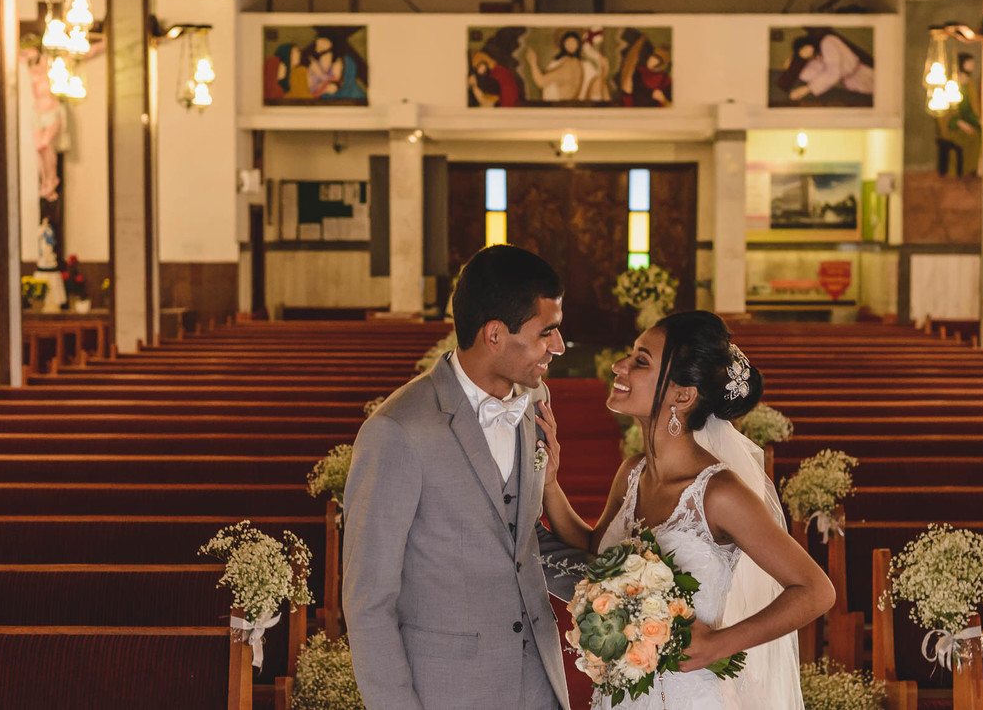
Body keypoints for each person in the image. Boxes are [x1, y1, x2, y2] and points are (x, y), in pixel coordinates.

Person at [538, 311, 834, 709]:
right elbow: (594, 552)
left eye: (641, 361)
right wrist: (550, 483)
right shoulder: (632, 473)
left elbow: (815, 590)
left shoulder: (719, 493)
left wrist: (718, 644)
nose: (619, 366)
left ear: (683, 395)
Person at [343, 245, 590, 710]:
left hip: (539, 680)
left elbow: (522, 541)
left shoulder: (536, 399)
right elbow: (368, 602)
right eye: (547, 333)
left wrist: (623, 592)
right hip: (448, 691)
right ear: (495, 334)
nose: (558, 347)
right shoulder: (397, 431)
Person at [787, 33, 874, 102]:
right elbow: (814, 75)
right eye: (801, 53)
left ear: (807, 44)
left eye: (803, 49)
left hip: (862, 74)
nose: (805, 53)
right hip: (849, 84)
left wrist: (807, 89)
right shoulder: (817, 57)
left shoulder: (828, 42)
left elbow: (832, 72)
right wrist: (791, 68)